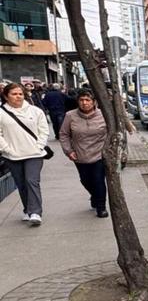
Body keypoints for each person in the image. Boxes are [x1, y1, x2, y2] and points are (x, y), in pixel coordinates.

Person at [0, 83, 49, 226]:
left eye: (20, 94)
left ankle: (35, 212)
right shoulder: (2, 113)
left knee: (31, 180)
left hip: (34, 153)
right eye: (14, 94)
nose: (18, 97)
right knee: (21, 183)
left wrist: (39, 146)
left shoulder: (35, 111)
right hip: (12, 155)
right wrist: (7, 149)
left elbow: (43, 130)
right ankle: (28, 209)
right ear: (6, 96)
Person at [60, 89, 108, 218]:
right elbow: (64, 134)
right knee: (86, 180)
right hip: (80, 154)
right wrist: (68, 151)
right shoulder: (70, 116)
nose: (84, 103)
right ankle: (95, 195)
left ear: (94, 102)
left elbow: (113, 132)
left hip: (99, 154)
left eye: (87, 100)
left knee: (98, 180)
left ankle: (101, 206)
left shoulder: (104, 114)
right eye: (81, 100)